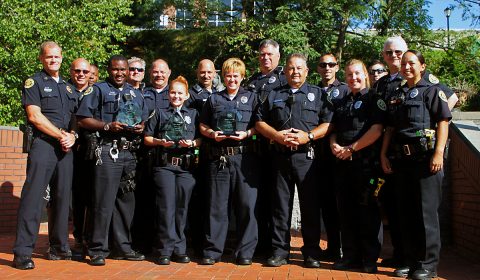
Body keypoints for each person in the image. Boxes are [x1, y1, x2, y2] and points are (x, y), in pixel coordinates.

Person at [255, 53, 333, 268]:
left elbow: (328, 124)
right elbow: (259, 122)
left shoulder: (317, 94)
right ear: (285, 70)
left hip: (307, 158)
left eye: (299, 68)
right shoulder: (273, 95)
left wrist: (307, 136)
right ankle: (279, 252)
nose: (295, 72)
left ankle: (311, 253)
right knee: (280, 207)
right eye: (291, 68)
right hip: (279, 157)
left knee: (310, 206)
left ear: (307, 71)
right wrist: (276, 136)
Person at [381, 50, 451, 280]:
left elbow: (443, 121)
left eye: (411, 63)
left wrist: (439, 153)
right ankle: (412, 263)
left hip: (425, 161)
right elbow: (390, 128)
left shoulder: (432, 91)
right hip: (402, 161)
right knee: (407, 214)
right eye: (403, 64)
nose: (407, 67)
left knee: (426, 215)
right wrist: (384, 155)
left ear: (422, 66)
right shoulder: (397, 94)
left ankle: (428, 265)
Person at [13, 41, 79, 270]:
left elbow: (74, 118)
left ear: (62, 58)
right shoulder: (34, 82)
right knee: (33, 198)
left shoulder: (69, 88)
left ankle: (59, 247)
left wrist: (72, 135)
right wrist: (61, 135)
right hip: (43, 146)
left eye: (57, 56)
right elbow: (34, 116)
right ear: (41, 58)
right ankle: (22, 252)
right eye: (49, 57)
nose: (53, 60)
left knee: (62, 199)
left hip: (65, 149)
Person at [76, 55, 147, 266]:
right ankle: (98, 248)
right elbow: (82, 118)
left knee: (126, 202)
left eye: (123, 70)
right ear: (109, 70)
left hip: (129, 153)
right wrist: (107, 126)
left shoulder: (135, 93)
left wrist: (141, 127)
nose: (120, 73)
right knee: (103, 202)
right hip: (107, 151)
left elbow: (141, 118)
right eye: (115, 69)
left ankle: (123, 247)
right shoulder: (97, 90)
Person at [199, 58, 259, 266]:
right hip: (219, 158)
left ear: (242, 77)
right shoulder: (214, 100)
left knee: (246, 206)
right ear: (222, 77)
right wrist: (212, 134)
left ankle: (245, 252)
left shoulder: (252, 98)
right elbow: (203, 126)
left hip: (244, 158)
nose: (232, 79)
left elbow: (258, 127)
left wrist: (247, 134)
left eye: (236, 76)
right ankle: (213, 251)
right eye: (228, 75)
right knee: (217, 206)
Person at [330, 59, 385, 274]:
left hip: (366, 166)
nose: (354, 78)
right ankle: (351, 256)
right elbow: (335, 128)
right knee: (346, 212)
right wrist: (334, 144)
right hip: (344, 166)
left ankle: (369, 259)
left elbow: (377, 130)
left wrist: (352, 148)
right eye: (350, 75)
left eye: (358, 74)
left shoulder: (374, 99)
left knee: (368, 212)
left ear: (365, 75)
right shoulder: (342, 103)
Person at [144, 76, 201, 265]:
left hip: (186, 168)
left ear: (186, 95)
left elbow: (201, 138)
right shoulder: (159, 113)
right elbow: (147, 138)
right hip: (165, 166)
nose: (176, 96)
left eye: (180, 93)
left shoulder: (193, 114)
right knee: (166, 208)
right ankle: (164, 250)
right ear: (169, 94)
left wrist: (192, 143)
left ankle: (180, 248)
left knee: (182, 209)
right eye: (173, 92)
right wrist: (160, 142)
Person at [245, 39, 287, 256]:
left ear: (278, 57)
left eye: (270, 54)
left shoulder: (283, 80)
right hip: (253, 150)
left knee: (276, 199)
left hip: (275, 148)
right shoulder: (251, 81)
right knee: (256, 198)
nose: (265, 57)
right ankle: (258, 244)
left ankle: (276, 246)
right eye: (262, 54)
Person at [374, 36, 409, 269]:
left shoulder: (415, 77)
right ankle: (399, 253)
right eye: (389, 53)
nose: (393, 56)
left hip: (408, 155)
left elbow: (448, 98)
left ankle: (409, 258)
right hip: (385, 155)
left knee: (407, 208)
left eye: (397, 52)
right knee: (391, 208)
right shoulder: (381, 83)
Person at [131, 58, 171, 254]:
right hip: (144, 154)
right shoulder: (140, 94)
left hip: (167, 155)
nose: (159, 75)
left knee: (164, 202)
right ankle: (142, 244)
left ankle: (162, 243)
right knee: (144, 199)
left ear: (169, 73)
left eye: (163, 72)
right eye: (155, 71)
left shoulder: (175, 94)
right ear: (150, 74)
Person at [316, 53, 349, 261]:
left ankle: (348, 248)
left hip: (340, 154)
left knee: (343, 204)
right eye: (323, 65)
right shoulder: (314, 91)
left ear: (337, 67)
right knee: (326, 204)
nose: (327, 67)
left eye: (331, 64)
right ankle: (333, 247)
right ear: (318, 68)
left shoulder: (345, 90)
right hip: (320, 156)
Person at [184, 58, 218, 257]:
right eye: (202, 72)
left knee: (213, 199)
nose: (206, 76)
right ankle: (196, 242)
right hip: (197, 151)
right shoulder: (190, 96)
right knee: (197, 198)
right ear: (197, 73)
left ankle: (211, 240)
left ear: (215, 73)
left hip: (216, 152)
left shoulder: (220, 93)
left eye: (210, 72)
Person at [68, 58, 94, 253]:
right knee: (71, 198)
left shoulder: (95, 93)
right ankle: (75, 238)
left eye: (86, 72)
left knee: (91, 197)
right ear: (71, 72)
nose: (82, 75)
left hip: (90, 151)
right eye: (78, 71)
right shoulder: (64, 90)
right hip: (67, 150)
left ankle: (89, 238)